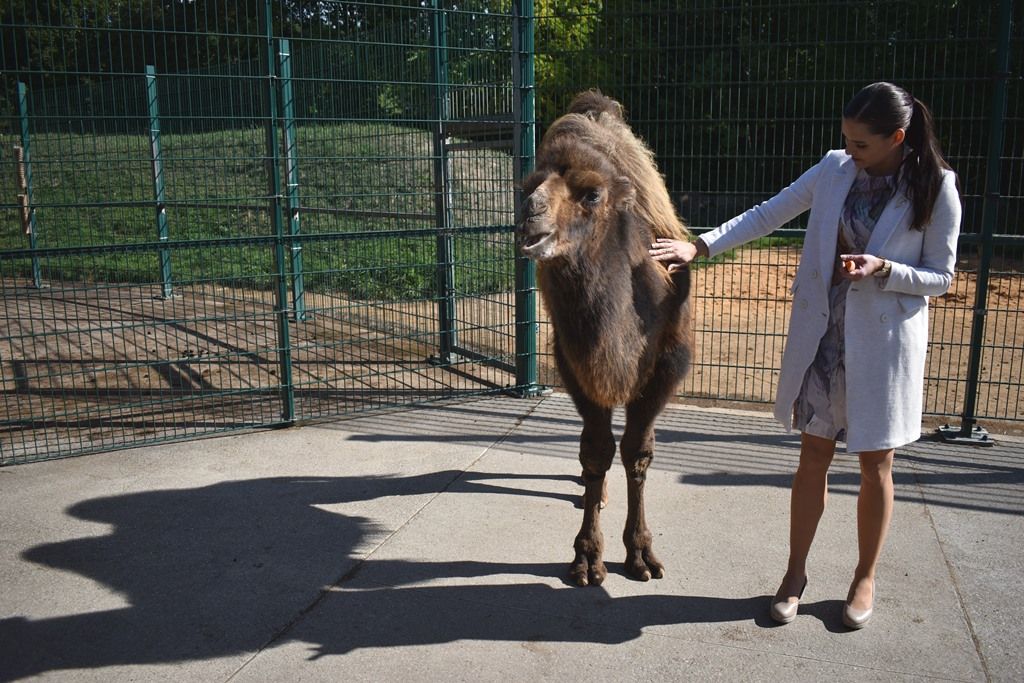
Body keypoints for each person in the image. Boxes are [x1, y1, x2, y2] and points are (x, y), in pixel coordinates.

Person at [650, 82, 961, 629]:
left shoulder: (934, 188)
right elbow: (771, 212)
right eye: (845, 139)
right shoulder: (836, 168)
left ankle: (864, 577)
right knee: (812, 456)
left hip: (882, 345)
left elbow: (942, 277)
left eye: (862, 143)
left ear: (897, 137)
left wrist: (886, 270)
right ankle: (795, 573)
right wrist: (698, 246)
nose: (850, 151)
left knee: (875, 464)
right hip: (823, 337)